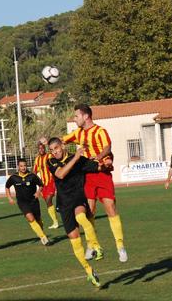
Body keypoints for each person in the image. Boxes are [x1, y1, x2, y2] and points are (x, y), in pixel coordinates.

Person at [63, 104, 128, 263]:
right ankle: (92, 246)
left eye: (76, 116)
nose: (74, 119)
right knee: (89, 211)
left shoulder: (100, 131)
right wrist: (49, 141)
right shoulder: (78, 133)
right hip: (87, 177)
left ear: (86, 116)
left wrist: (97, 159)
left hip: (102, 174)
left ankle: (120, 246)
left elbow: (108, 147)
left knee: (110, 207)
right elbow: (62, 140)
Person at [47, 137, 105, 288]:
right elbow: (60, 174)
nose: (55, 152)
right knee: (74, 240)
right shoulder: (52, 162)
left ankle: (95, 246)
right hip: (64, 204)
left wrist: (106, 164)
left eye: (56, 148)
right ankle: (89, 271)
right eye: (52, 150)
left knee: (81, 216)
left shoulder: (77, 158)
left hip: (78, 197)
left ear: (63, 146)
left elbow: (97, 166)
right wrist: (77, 157)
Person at [5, 158, 51, 246]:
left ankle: (41, 232)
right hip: (22, 202)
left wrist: (38, 192)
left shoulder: (32, 176)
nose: (23, 168)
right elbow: (7, 187)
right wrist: (9, 198)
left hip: (33, 201)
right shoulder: (14, 177)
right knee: (31, 218)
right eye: (21, 166)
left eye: (24, 166)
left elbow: (41, 185)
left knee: (39, 221)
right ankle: (43, 238)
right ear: (18, 167)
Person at [33, 138, 59, 229]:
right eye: (39, 149)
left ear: (45, 148)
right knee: (48, 203)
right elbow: (34, 172)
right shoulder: (37, 159)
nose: (41, 150)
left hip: (51, 182)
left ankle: (57, 219)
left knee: (49, 200)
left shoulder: (50, 156)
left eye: (42, 148)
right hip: (43, 184)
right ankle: (55, 222)